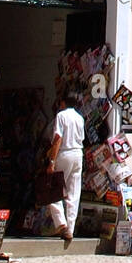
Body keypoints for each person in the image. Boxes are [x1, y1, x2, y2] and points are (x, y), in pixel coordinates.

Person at [46, 93, 85, 244]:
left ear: (63, 102)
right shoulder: (80, 118)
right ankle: (70, 228)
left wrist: (51, 161)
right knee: (73, 193)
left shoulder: (61, 116)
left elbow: (58, 139)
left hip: (64, 153)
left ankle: (61, 222)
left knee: (53, 189)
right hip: (78, 154)